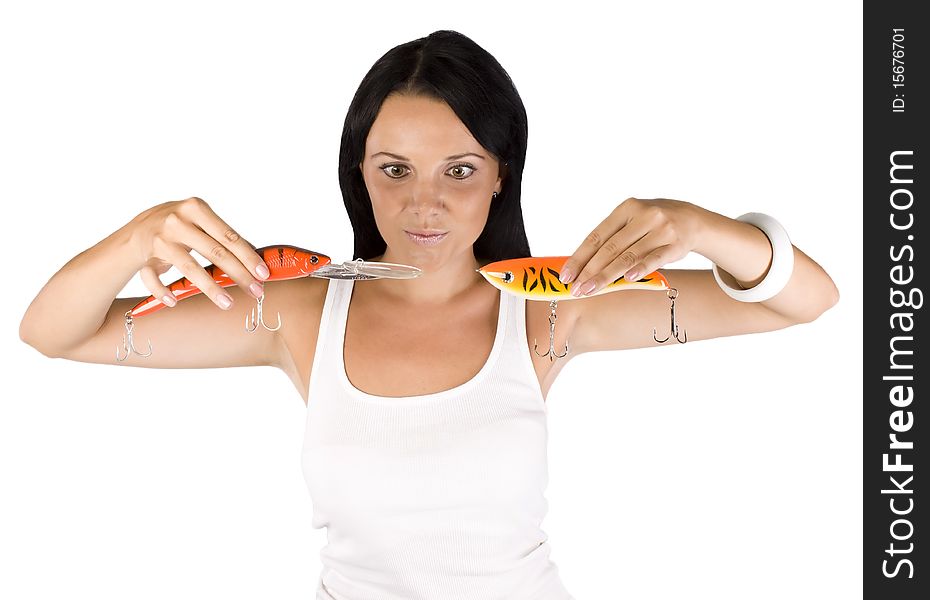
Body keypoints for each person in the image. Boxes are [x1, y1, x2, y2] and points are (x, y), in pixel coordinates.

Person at [19, 29, 838, 600]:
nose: (425, 205)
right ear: (359, 175)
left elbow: (802, 303)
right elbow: (54, 333)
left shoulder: (553, 315)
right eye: (394, 169)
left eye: (458, 169)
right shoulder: (293, 313)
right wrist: (136, 239)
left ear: (499, 177)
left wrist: (701, 227)